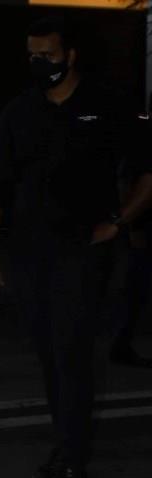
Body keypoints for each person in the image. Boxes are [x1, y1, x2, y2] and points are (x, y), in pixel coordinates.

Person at [0, 15, 152, 478]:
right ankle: (67, 444)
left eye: (49, 55)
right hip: (30, 255)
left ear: (71, 55)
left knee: (71, 354)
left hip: (82, 255)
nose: (40, 63)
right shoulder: (19, 112)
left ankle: (72, 463)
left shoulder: (107, 106)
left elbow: (147, 175)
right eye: (33, 55)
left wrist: (118, 223)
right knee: (51, 358)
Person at [110, 95, 152, 368]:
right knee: (137, 287)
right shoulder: (144, 139)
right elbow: (131, 181)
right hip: (144, 227)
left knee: (137, 287)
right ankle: (121, 342)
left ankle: (122, 342)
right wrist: (130, 224)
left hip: (141, 225)